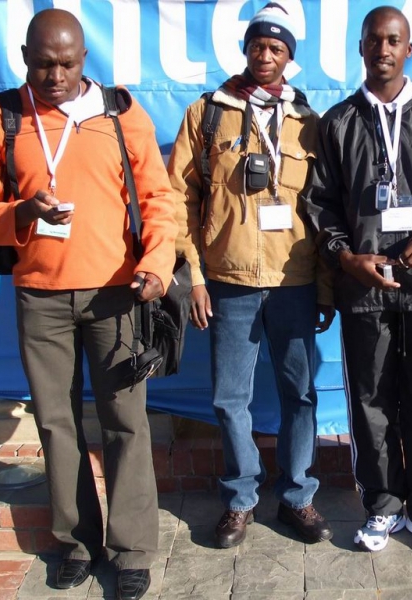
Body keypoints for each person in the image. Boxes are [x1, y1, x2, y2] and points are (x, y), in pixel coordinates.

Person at [0, 9, 177, 600]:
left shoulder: (120, 114)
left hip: (116, 297)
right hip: (40, 298)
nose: (55, 76)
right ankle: (76, 542)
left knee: (126, 423)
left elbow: (159, 199)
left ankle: (132, 550)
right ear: (24, 58)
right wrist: (21, 212)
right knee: (56, 424)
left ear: (85, 59)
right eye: (43, 64)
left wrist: (157, 265)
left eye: (67, 64)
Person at [303, 6, 412, 556]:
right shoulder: (338, 122)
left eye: (393, 40)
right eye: (374, 40)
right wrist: (345, 257)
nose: (383, 49)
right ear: (361, 48)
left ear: (408, 49)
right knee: (370, 400)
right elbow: (321, 205)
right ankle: (382, 505)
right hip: (364, 290)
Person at [167, 2, 334, 549]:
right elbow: (179, 200)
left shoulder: (309, 122)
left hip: (294, 281)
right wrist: (194, 277)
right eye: (258, 45)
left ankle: (298, 496)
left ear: (289, 58)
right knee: (229, 398)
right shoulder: (207, 114)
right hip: (228, 281)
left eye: (277, 48)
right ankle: (240, 499)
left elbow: (324, 210)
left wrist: (325, 288)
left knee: (300, 394)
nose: (266, 55)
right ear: (245, 49)